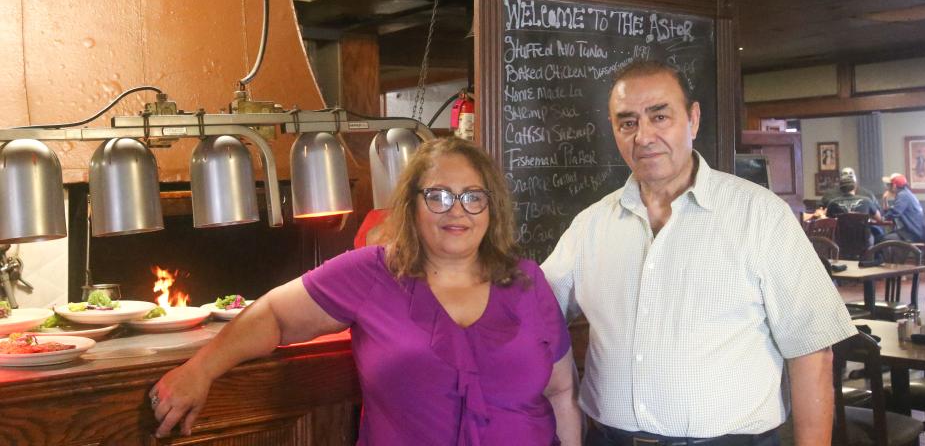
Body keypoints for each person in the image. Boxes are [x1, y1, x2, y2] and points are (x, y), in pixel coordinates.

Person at [151, 137, 581, 445]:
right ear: (411, 205)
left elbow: (560, 391)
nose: (458, 211)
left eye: (473, 197)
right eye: (438, 196)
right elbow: (274, 316)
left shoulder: (526, 280)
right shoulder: (372, 273)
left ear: (492, 207)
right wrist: (200, 369)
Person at [541, 60, 855, 446]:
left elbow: (812, 352)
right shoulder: (589, 226)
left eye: (660, 116)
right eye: (628, 123)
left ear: (693, 119)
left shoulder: (760, 215)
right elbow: (532, 310)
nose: (643, 136)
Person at [825, 175, 885, 244]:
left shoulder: (832, 203)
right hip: (864, 241)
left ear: (840, 189)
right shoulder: (866, 201)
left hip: (841, 242)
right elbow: (879, 219)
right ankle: (872, 255)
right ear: (855, 187)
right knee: (878, 236)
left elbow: (828, 221)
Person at [882, 174, 925, 243]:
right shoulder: (906, 193)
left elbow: (895, 212)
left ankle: (897, 254)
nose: (888, 187)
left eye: (889, 185)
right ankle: (897, 254)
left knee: (883, 240)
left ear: (894, 186)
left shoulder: (903, 195)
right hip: (914, 231)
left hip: (912, 234)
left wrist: (882, 218)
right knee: (887, 236)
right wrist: (885, 200)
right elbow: (893, 210)